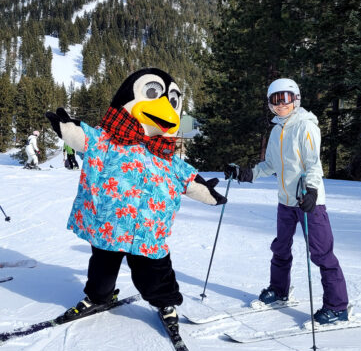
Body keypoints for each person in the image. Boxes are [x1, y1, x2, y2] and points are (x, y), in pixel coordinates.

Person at [46, 67, 226, 327]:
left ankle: (165, 302)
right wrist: (68, 129)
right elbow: (85, 138)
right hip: (110, 226)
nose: (164, 105)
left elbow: (188, 180)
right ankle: (98, 297)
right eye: (153, 94)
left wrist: (208, 193)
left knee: (155, 273)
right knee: (102, 270)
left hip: (148, 232)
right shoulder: (107, 142)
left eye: (172, 101)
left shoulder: (168, 158)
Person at [224, 78, 349, 325]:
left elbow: (313, 163)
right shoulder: (276, 130)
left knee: (322, 254)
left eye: (285, 98)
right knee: (280, 248)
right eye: (275, 100)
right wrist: (246, 173)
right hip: (285, 201)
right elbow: (270, 164)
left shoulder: (306, 126)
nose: (281, 104)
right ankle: (280, 290)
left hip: (309, 202)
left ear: (295, 99)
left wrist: (312, 191)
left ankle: (338, 306)